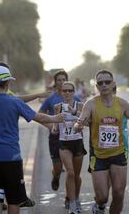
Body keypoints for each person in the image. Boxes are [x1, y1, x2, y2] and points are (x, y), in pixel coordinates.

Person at [0, 64, 64, 214]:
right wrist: (55, 118)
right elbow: (36, 116)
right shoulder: (14, 101)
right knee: (13, 200)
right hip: (11, 157)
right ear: (7, 83)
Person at [74, 69, 129, 214]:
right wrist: (78, 126)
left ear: (113, 84)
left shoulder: (122, 103)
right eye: (100, 83)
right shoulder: (91, 104)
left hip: (118, 153)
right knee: (102, 197)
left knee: (118, 193)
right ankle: (99, 206)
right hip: (98, 156)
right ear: (97, 86)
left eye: (107, 82)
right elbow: (79, 122)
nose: (104, 85)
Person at [39, 70, 81, 193]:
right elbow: (39, 114)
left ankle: (70, 198)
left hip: (73, 137)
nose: (62, 82)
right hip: (56, 136)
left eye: (64, 79)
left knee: (71, 171)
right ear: (55, 82)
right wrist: (50, 126)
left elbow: (83, 115)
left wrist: (79, 125)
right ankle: (56, 176)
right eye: (59, 80)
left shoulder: (76, 98)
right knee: (58, 169)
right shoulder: (51, 98)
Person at [51, 81, 86, 214]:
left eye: (70, 90)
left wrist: (76, 114)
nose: (67, 93)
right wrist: (54, 128)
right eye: (64, 90)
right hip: (64, 143)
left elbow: (87, 122)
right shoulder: (57, 107)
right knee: (70, 172)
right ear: (61, 92)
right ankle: (71, 204)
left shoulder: (81, 106)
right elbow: (55, 124)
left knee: (76, 175)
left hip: (77, 142)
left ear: (73, 91)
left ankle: (76, 199)